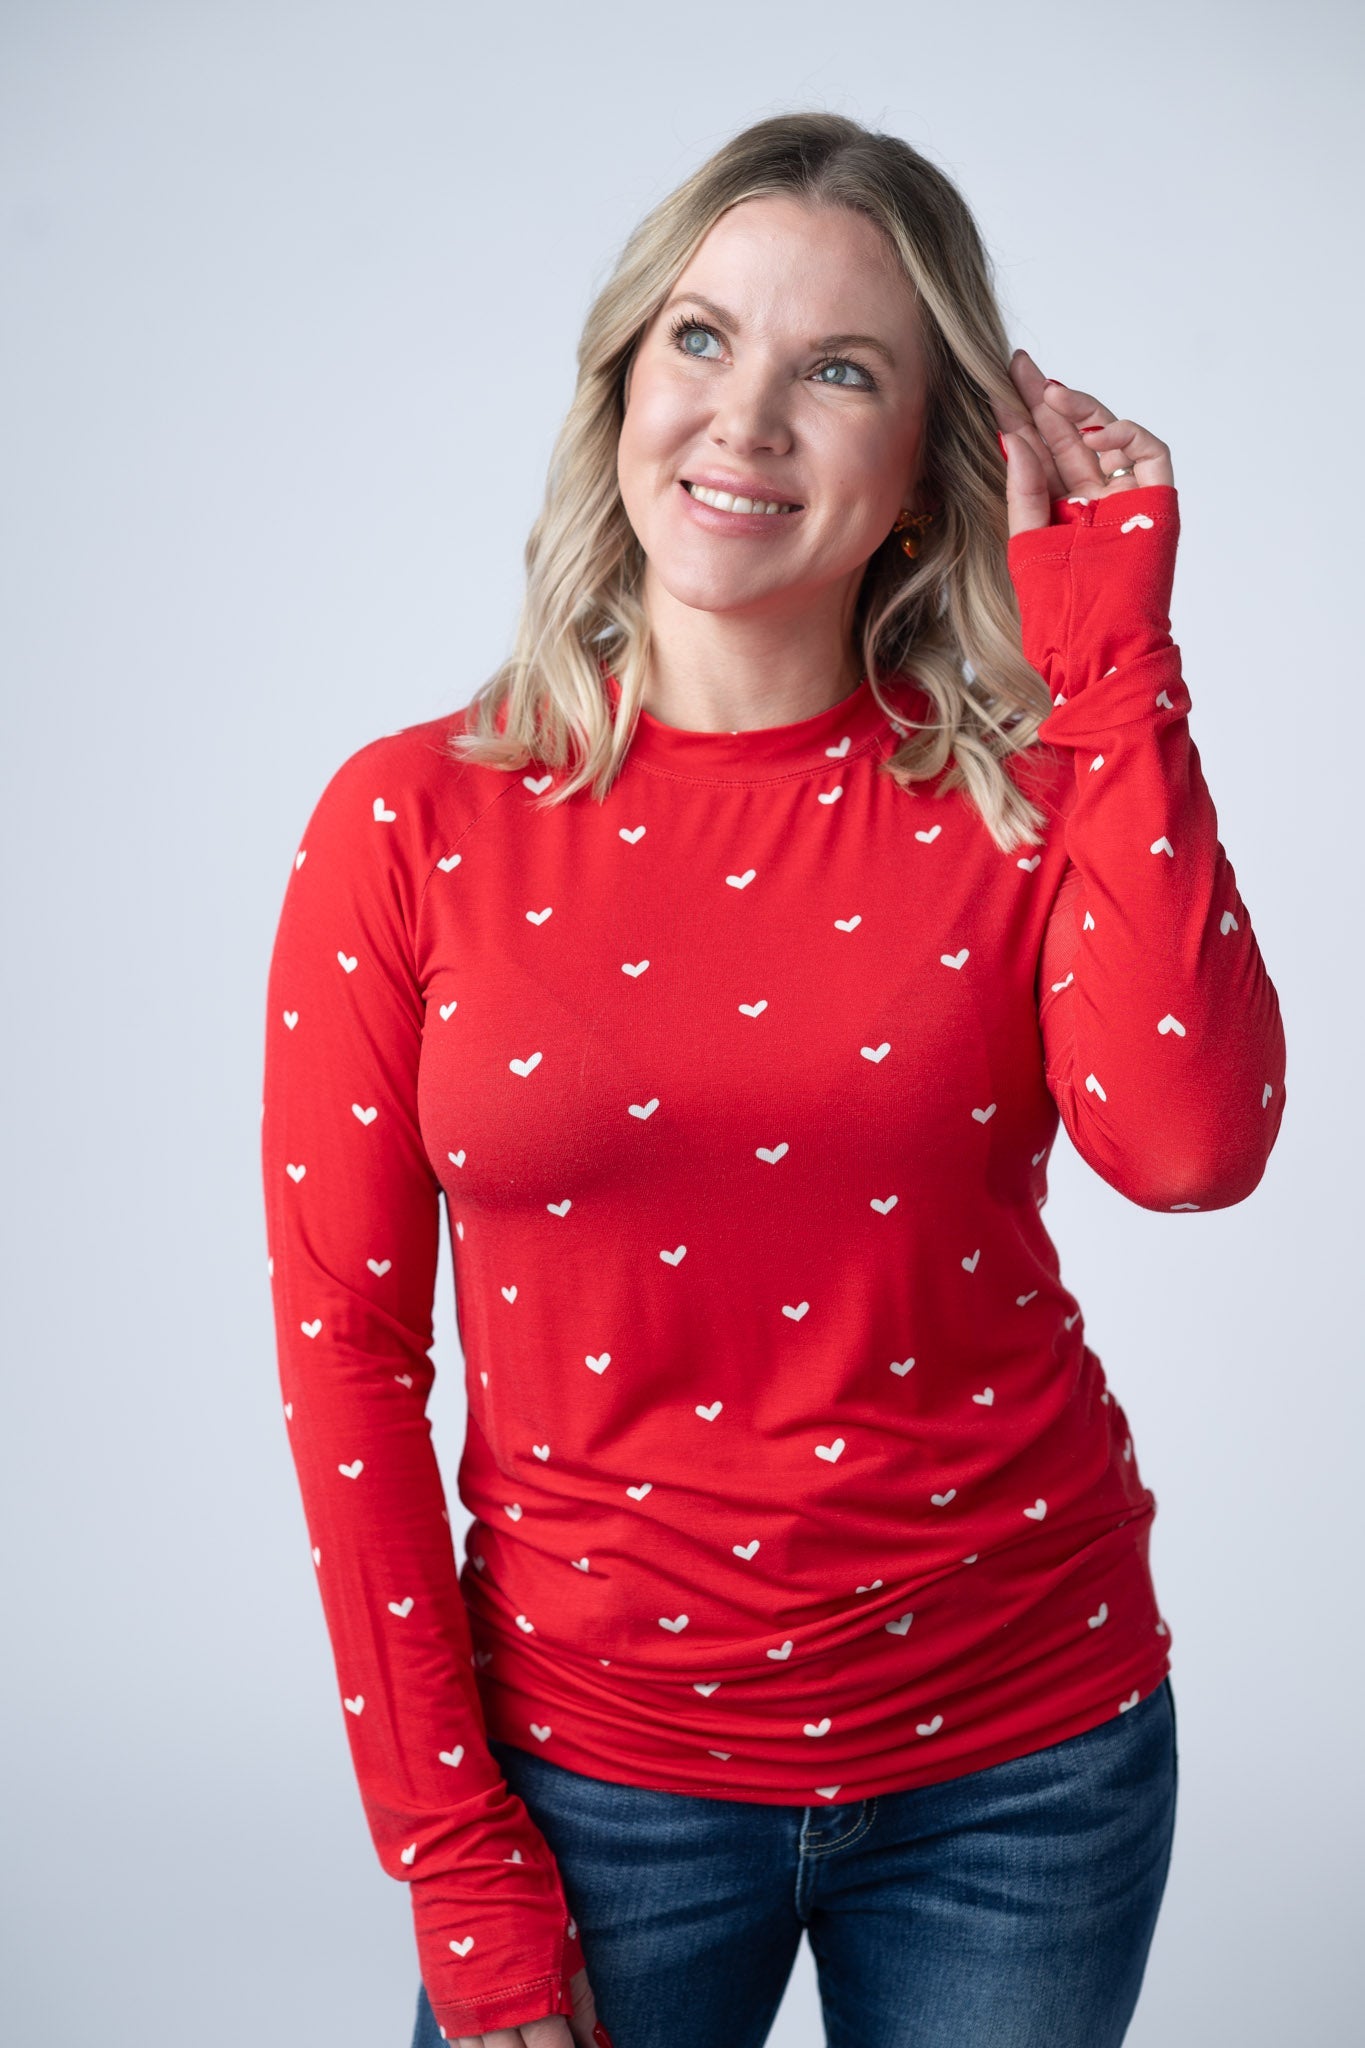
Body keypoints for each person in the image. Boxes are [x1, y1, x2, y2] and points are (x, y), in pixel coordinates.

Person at [260, 111, 1286, 2048]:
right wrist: (454, 1855)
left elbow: (1187, 1145)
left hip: (1025, 1761)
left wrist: (1112, 663)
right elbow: (346, 1359)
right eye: (702, 338)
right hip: (591, 1779)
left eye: (840, 371)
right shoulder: (407, 823)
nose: (743, 419)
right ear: (622, 385)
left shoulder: (1022, 797)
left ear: (920, 468)